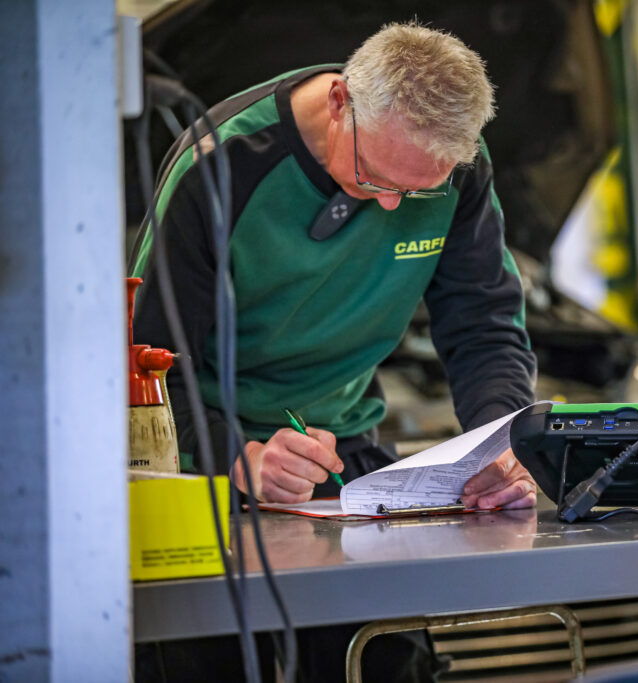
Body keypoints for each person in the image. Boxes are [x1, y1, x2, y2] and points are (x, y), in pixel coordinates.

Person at [131, 21, 538, 681]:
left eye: (414, 192)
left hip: (347, 461)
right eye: (374, 176)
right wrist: (235, 456)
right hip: (201, 464)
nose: (388, 203)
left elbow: (484, 320)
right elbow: (148, 362)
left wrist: (499, 439)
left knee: (381, 660)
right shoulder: (221, 164)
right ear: (342, 100)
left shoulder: (454, 168)